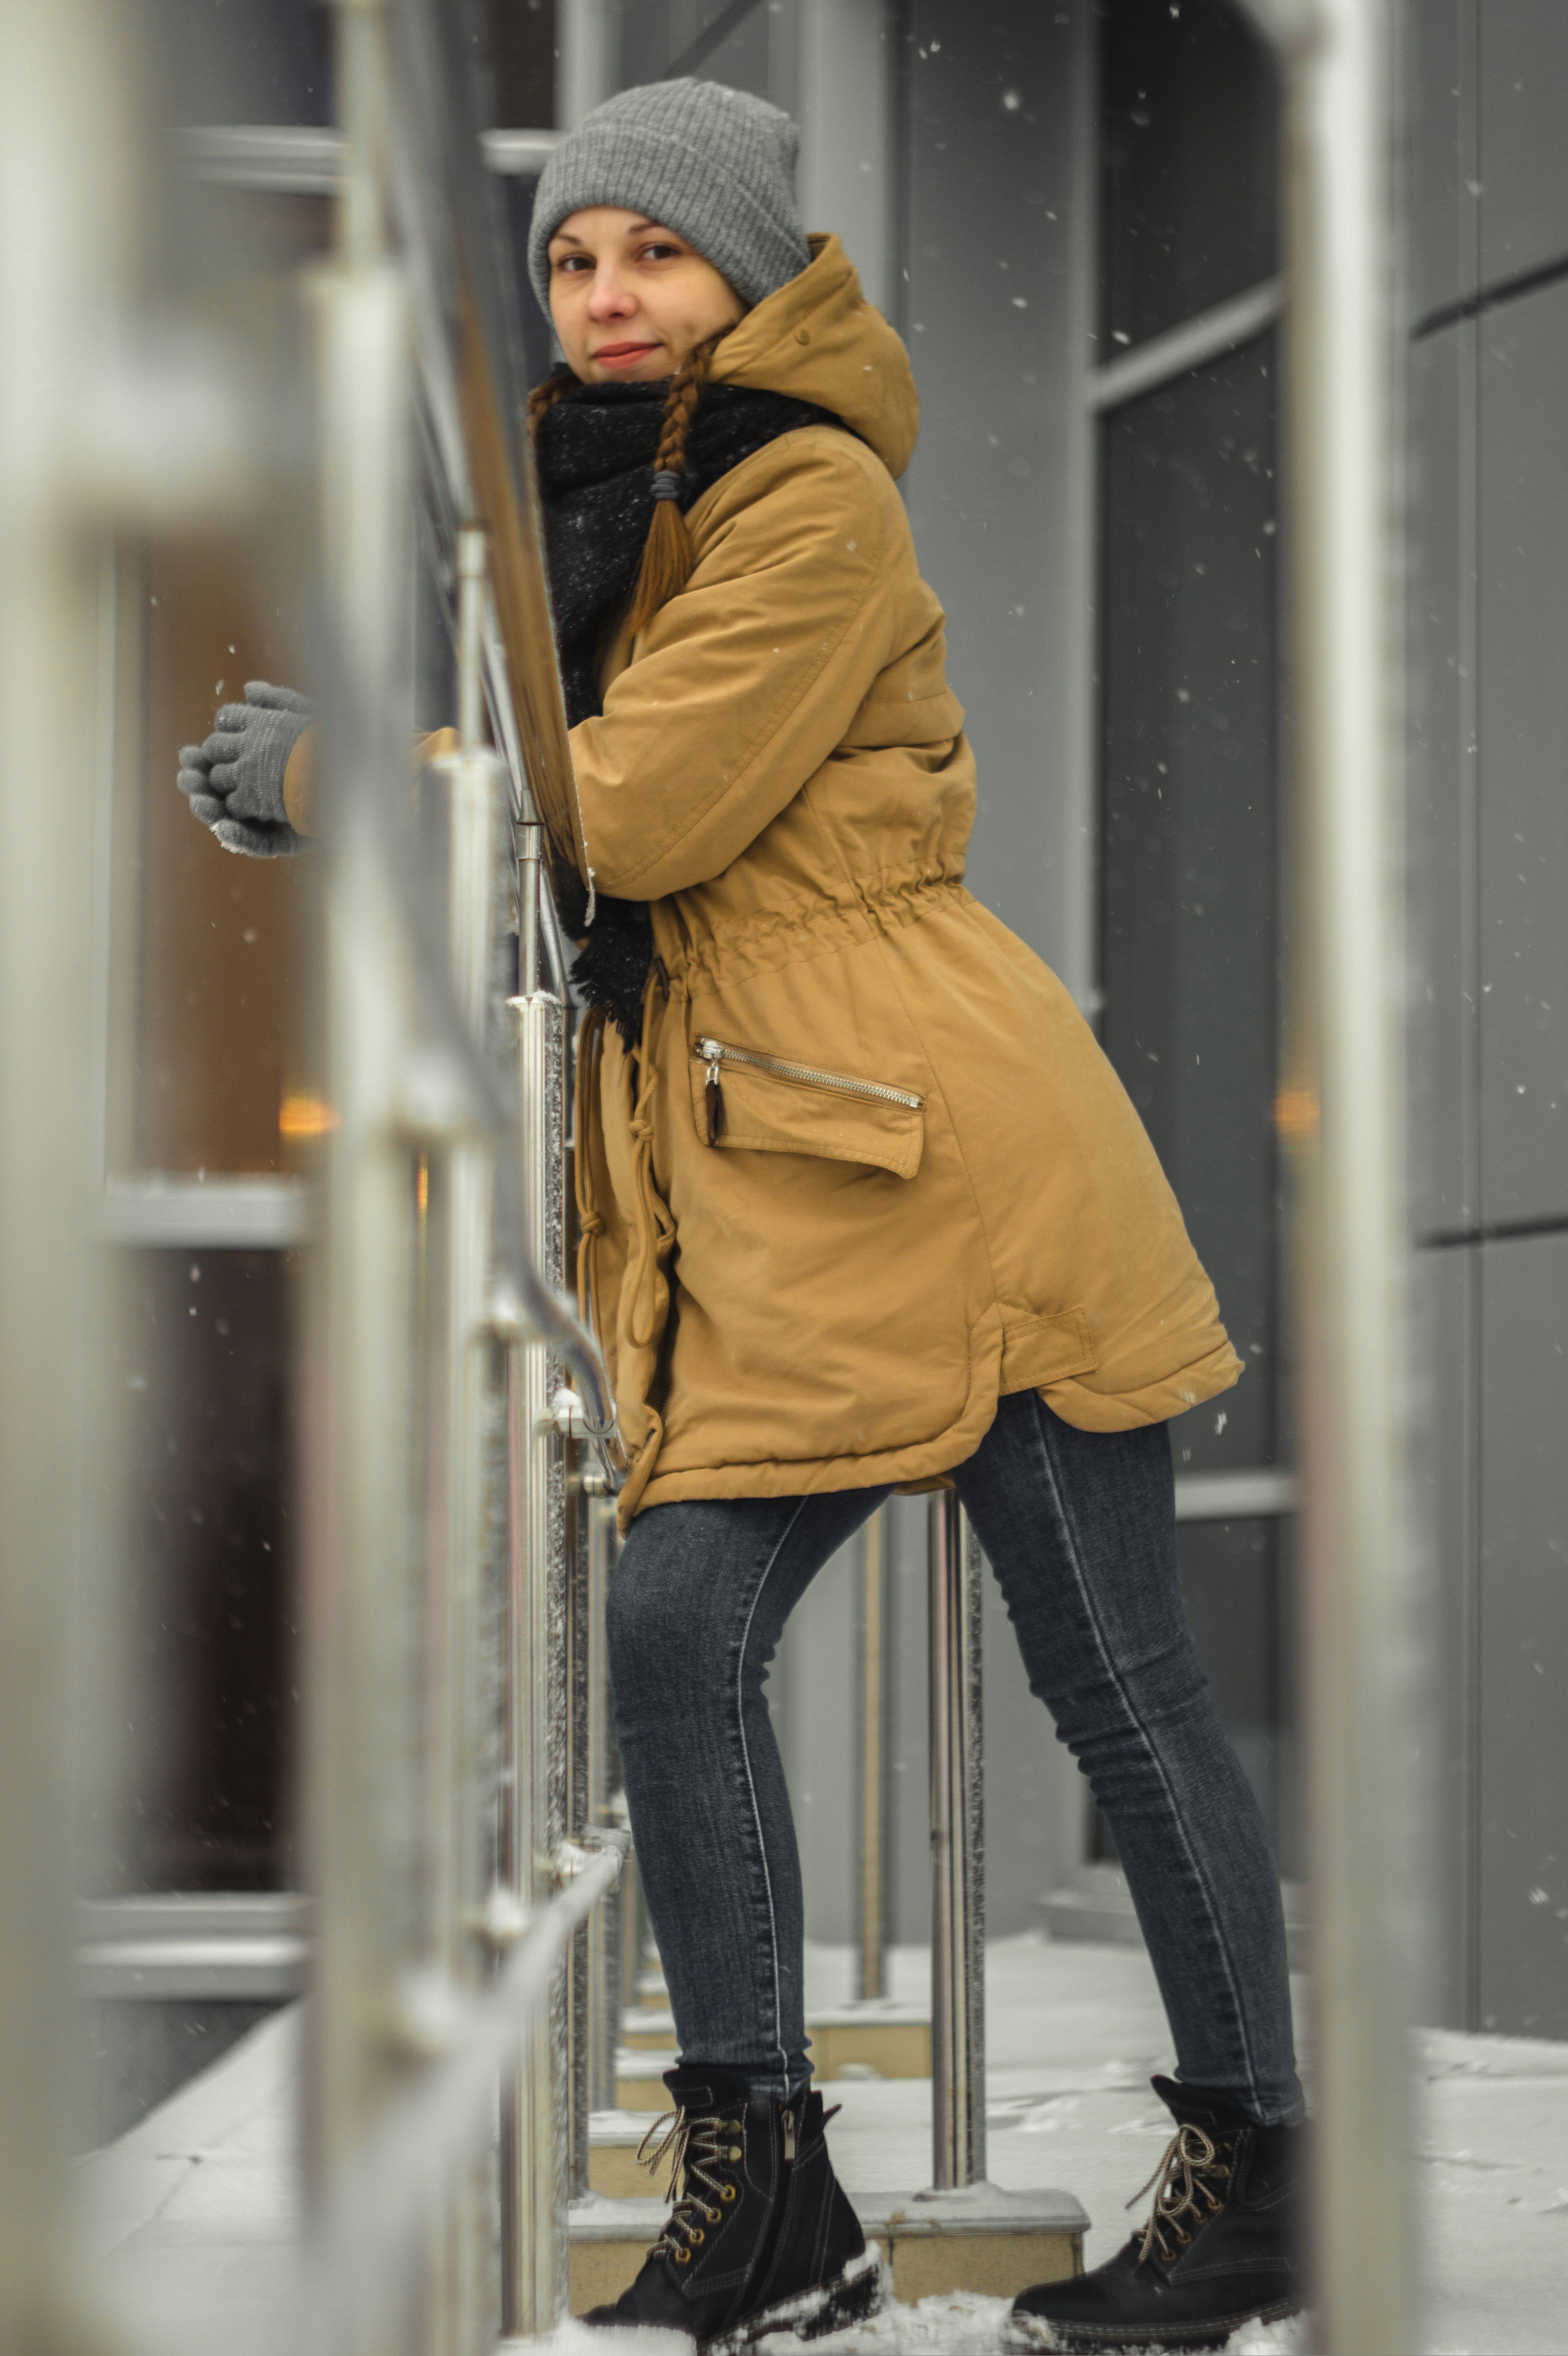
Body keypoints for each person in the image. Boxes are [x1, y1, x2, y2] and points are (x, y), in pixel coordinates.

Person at [178, 76, 1306, 2356]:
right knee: (679, 1637)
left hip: (950, 1153)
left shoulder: (803, 494)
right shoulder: (608, 512)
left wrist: (345, 760)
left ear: (753, 271)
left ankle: (1261, 2165)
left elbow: (639, 812)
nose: (605, 297)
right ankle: (769, 2172)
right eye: (574, 258)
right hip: (784, 1164)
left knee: (1114, 1682)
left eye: (654, 257)